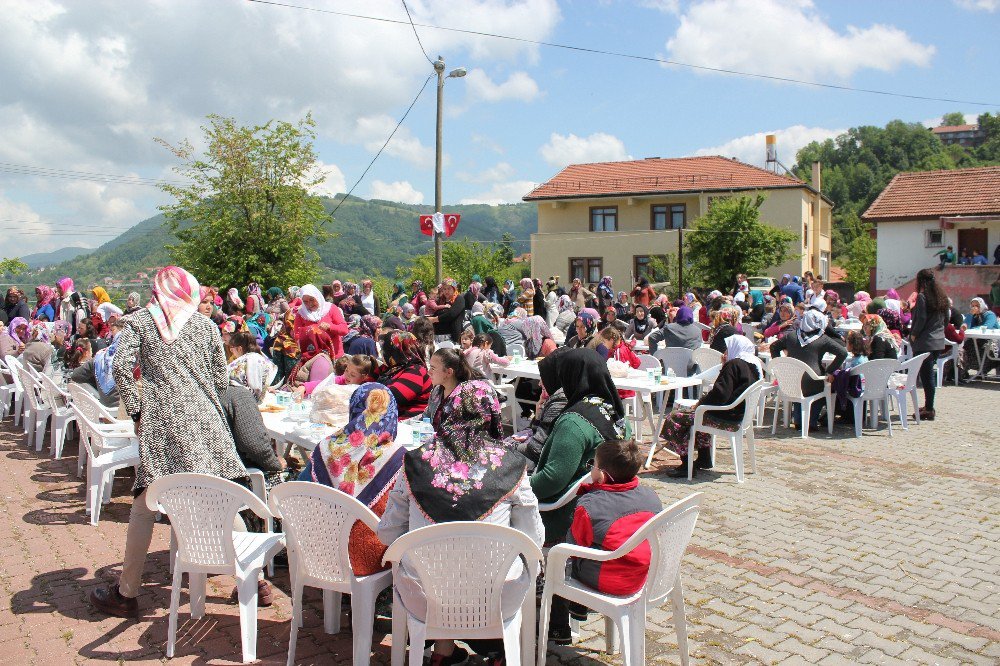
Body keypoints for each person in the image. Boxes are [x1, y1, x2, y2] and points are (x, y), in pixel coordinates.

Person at [90, 266, 250, 618]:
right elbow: (221, 379)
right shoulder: (206, 326)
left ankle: (126, 592)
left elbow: (121, 367)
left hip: (162, 422)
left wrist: (136, 410)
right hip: (206, 421)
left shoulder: (141, 321)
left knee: (144, 505)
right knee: (219, 498)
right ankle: (252, 579)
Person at [378, 379, 542, 666]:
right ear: (492, 415)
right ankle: (500, 651)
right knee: (510, 564)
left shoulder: (415, 462)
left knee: (437, 565)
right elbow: (533, 538)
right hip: (496, 599)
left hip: (425, 597)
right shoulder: (512, 466)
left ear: (447, 411)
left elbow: (388, 533)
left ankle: (442, 650)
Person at [546, 438, 663, 644]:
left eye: (594, 464)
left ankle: (558, 626)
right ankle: (576, 609)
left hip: (612, 580)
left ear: (601, 474)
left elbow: (574, 549)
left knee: (558, 560)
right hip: (646, 575)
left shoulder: (590, 506)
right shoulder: (651, 496)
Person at [297, 383, 404, 578]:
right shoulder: (398, 457)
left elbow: (301, 488)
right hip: (370, 560)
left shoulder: (327, 447)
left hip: (321, 552)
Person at [531, 348, 629, 545]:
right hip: (607, 506)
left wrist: (514, 489)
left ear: (571, 377)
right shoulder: (613, 412)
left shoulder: (574, 422)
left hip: (563, 517)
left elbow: (552, 479)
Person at [661, 335, 764, 477]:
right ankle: (704, 458)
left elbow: (720, 394)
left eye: (728, 349)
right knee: (696, 415)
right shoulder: (753, 366)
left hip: (727, 416)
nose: (724, 354)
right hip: (739, 415)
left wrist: (699, 404)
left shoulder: (734, 365)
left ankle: (686, 465)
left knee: (675, 417)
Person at [769, 309, 848, 431]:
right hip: (813, 380)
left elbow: (773, 346)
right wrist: (830, 370)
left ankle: (798, 420)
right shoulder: (823, 339)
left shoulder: (791, 336)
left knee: (798, 385)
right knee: (821, 388)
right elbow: (843, 352)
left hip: (791, 380)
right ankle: (811, 421)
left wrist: (780, 367)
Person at [290, 283, 348, 384]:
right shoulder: (301, 314)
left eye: (312, 300)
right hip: (312, 359)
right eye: (305, 302)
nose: (309, 304)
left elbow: (344, 330)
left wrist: (330, 327)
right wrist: (310, 332)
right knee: (315, 386)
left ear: (317, 296)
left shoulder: (331, 308)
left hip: (335, 356)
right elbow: (297, 335)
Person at [909, 268, 947, 420]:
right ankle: (928, 406)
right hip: (938, 341)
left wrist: (914, 334)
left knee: (927, 376)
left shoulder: (923, 297)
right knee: (928, 374)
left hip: (925, 342)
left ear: (921, 281)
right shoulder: (942, 298)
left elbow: (921, 318)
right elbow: (946, 319)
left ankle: (929, 409)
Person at [377, 331, 432, 419]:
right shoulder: (392, 368)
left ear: (394, 352)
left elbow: (392, 397)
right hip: (391, 417)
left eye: (384, 349)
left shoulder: (416, 371)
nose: (381, 353)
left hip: (410, 422)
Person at [69, 333, 121, 409]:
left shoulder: (98, 359)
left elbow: (75, 376)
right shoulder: (130, 361)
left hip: (103, 408)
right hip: (120, 411)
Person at [226, 331, 278, 403]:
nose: (232, 352)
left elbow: (255, 387)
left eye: (232, 349)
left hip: (245, 402)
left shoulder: (252, 359)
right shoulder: (255, 358)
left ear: (239, 349)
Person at [426, 278, 467, 344]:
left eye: (449, 289)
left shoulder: (459, 299)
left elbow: (451, 314)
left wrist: (434, 319)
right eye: (444, 289)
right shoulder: (441, 300)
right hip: (437, 336)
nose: (446, 291)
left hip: (451, 336)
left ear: (454, 289)